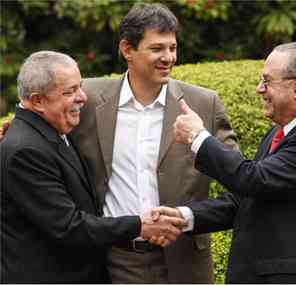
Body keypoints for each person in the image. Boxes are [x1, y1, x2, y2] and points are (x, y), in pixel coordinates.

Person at [70, 3, 238, 284]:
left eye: (172, 48)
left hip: (185, 265)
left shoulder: (202, 103)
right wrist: (16, 129)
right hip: (112, 262)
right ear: (127, 50)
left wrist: (187, 217)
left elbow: (239, 178)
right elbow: (45, 119)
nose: (168, 57)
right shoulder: (88, 97)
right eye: (157, 48)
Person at [0, 51, 186, 284]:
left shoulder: (51, 130)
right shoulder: (25, 150)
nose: (83, 97)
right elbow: (69, 226)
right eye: (69, 92)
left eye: (80, 86)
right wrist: (140, 225)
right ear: (37, 101)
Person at [153, 42, 296, 283]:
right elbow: (248, 199)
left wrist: (197, 137)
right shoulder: (280, 133)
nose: (259, 89)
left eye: (267, 81)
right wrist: (184, 216)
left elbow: (254, 179)